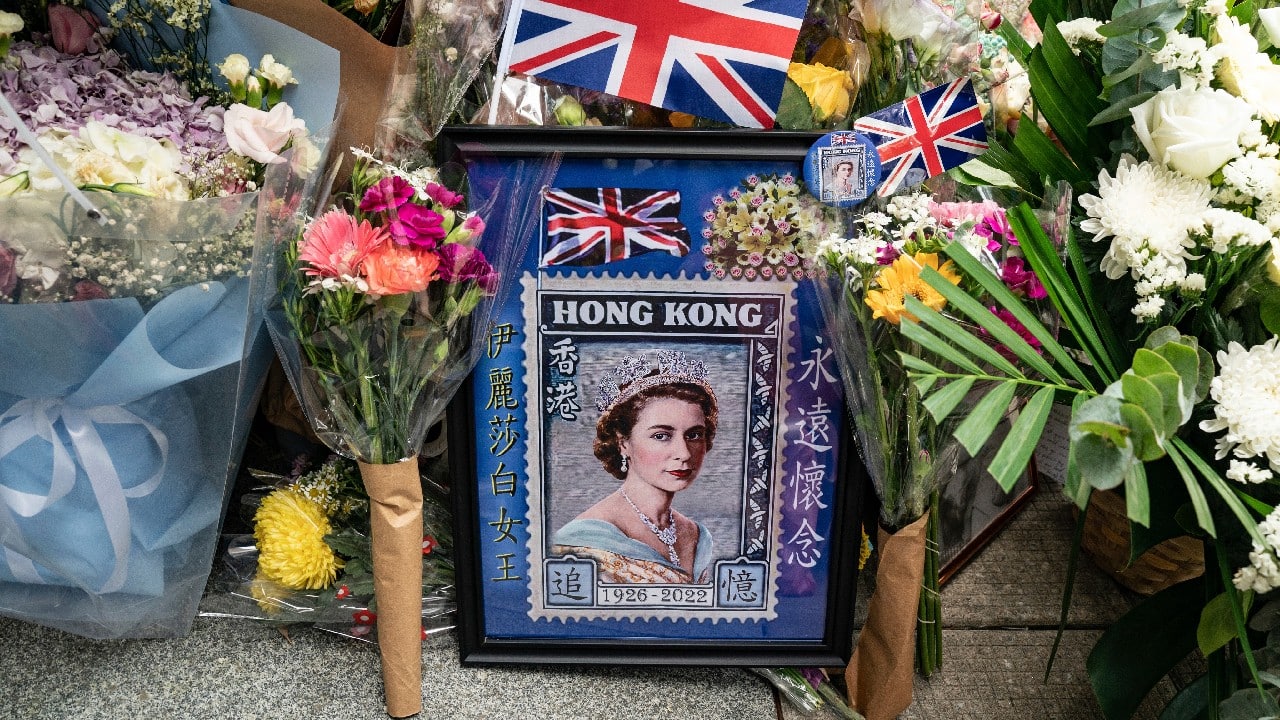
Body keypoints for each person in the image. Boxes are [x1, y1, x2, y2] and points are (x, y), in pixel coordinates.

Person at [552, 350, 719, 584]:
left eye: (694, 435)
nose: (683, 453)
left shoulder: (697, 536)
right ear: (623, 444)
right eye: (661, 436)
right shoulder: (582, 542)